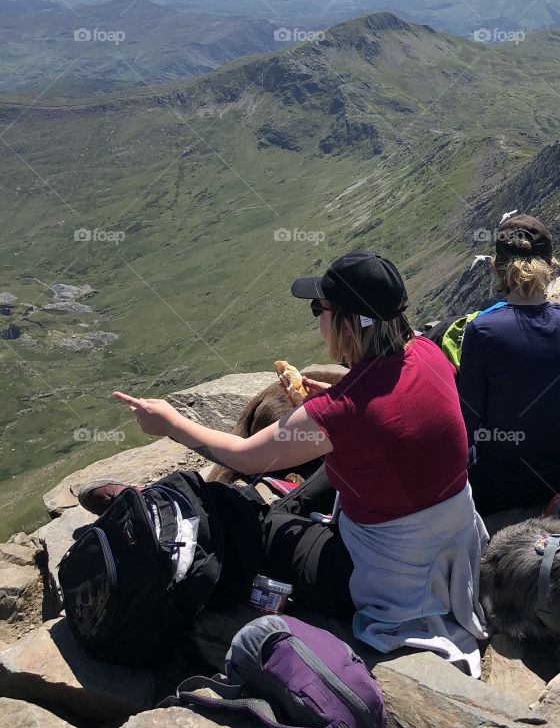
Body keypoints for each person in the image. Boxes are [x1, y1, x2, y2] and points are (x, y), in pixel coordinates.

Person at [113, 250, 488, 675]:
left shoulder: (339, 413)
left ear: (347, 321)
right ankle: (284, 506)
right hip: (453, 543)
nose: (317, 318)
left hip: (376, 575)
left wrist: (170, 424)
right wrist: (335, 398)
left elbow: (244, 455)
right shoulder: (428, 352)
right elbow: (394, 412)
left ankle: (239, 520)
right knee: (326, 472)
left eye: (320, 308)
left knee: (246, 522)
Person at [457, 214, 560, 517]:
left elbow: (467, 420)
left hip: (498, 488)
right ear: (551, 264)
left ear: (497, 266)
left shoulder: (482, 331)